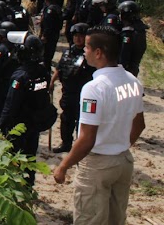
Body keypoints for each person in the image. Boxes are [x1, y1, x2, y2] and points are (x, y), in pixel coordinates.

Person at [53, 26, 146, 225]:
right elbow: (139, 125)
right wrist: (119, 145)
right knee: (115, 219)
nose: (84, 51)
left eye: (87, 47)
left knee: (90, 219)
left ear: (98, 52)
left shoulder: (94, 88)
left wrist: (63, 166)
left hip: (97, 165)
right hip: (123, 162)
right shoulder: (133, 82)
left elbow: (87, 138)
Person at [0, 34, 50, 186]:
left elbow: (10, 104)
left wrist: (0, 126)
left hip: (18, 124)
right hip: (35, 122)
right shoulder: (43, 72)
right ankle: (29, 185)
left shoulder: (20, 76)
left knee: (15, 158)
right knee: (30, 157)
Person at [50, 23, 95, 153]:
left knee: (82, 122)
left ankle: (80, 147)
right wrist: (52, 81)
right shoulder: (68, 52)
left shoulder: (90, 54)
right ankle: (66, 144)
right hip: (68, 93)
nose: (78, 39)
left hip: (84, 94)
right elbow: (59, 69)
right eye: (76, 36)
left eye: (81, 36)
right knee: (66, 120)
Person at [118, 1, 148, 77]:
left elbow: (125, 52)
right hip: (134, 67)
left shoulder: (128, 33)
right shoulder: (140, 29)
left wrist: (120, 67)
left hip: (126, 69)